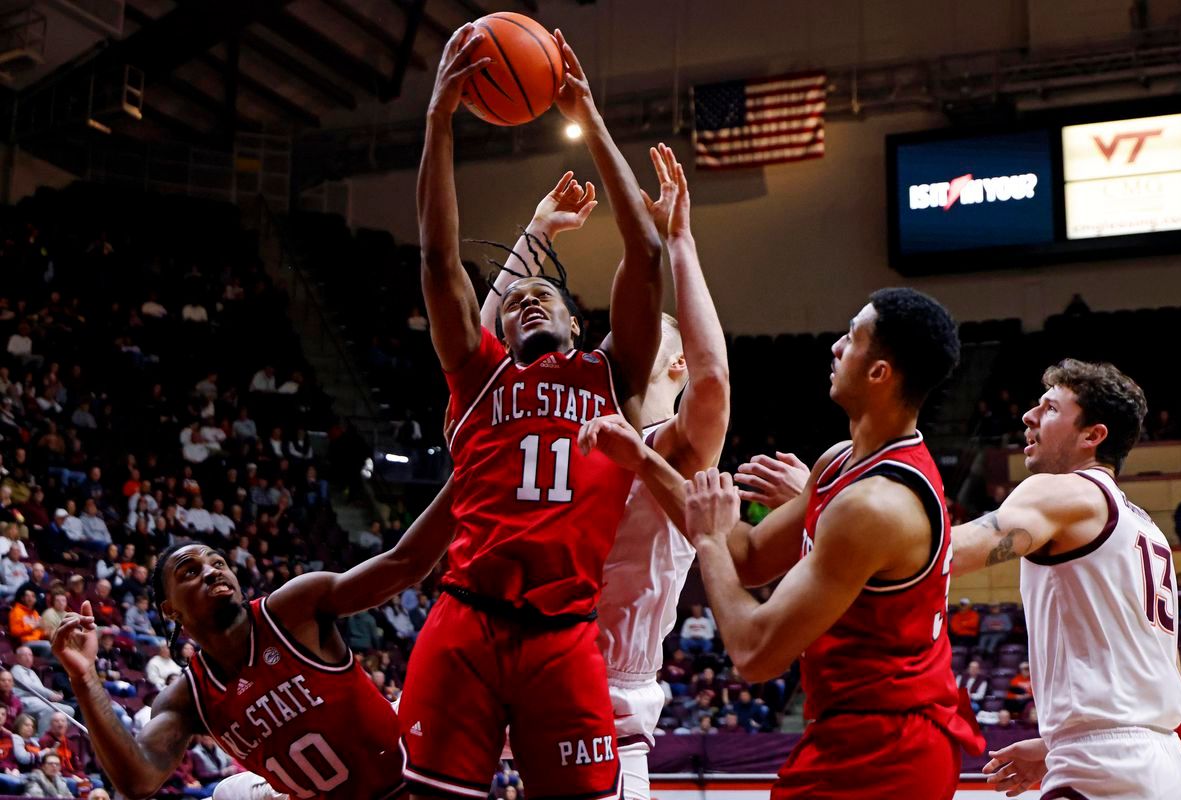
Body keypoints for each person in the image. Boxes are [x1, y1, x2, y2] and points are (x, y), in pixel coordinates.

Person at [579, 288, 984, 799]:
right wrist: (645, 462)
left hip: (891, 747)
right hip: (849, 732)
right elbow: (746, 558)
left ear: (880, 372)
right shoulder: (839, 462)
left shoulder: (875, 505)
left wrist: (706, 538)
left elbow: (754, 653)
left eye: (851, 337)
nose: (835, 346)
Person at [399, 21, 663, 800]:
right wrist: (437, 121)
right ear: (496, 324)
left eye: (543, 292)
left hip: (564, 635)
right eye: (512, 300)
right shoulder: (475, 376)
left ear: (576, 320)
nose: (527, 299)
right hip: (466, 624)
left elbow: (645, 255)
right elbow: (438, 260)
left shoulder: (611, 373)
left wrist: (589, 109)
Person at [480, 142, 728, 800]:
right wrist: (532, 237)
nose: (631, 337)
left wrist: (681, 243)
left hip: (606, 712)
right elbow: (479, 367)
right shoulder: (556, 424)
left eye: (659, 333)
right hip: (506, 694)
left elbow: (714, 382)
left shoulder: (673, 450)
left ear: (676, 363)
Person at [50, 480, 458, 800]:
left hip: (406, 769)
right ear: (169, 610)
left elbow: (406, 563)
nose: (212, 572)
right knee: (227, 792)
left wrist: (472, 468)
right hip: (318, 792)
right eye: (190, 572)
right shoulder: (186, 699)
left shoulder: (292, 610)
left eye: (218, 563)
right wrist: (85, 678)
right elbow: (139, 781)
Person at [951, 359, 1181, 799]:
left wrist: (823, 511)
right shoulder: (1146, 529)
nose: (1028, 416)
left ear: (1092, 435)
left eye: (1048, 408)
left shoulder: (1063, 491)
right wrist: (1053, 744)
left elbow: (945, 555)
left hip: (1105, 768)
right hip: (1166, 764)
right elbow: (1155, 672)